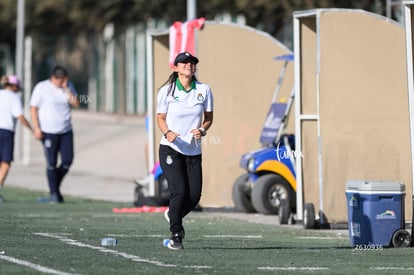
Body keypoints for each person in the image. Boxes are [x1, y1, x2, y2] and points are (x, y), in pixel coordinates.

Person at [157, 51, 214, 250]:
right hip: (170, 148)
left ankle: (173, 214)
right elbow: (161, 118)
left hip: (194, 151)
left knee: (195, 195)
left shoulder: (204, 90)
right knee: (179, 191)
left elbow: (208, 118)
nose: (189, 65)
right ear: (175, 67)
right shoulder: (166, 91)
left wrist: (203, 129)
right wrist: (167, 133)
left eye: (192, 63)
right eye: (184, 63)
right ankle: (176, 234)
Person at [30, 65, 80, 203]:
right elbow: (33, 108)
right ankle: (54, 194)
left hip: (65, 131)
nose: (61, 83)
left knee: (67, 161)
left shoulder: (68, 86)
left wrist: (67, 89)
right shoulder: (42, 87)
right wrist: (36, 128)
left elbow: (76, 103)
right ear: (53, 78)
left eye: (64, 80)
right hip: (48, 131)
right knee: (51, 163)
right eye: (59, 81)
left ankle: (54, 187)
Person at [0, 75, 33, 202]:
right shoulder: (14, 98)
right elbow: (20, 117)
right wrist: (32, 129)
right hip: (6, 131)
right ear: (14, 86)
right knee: (6, 163)